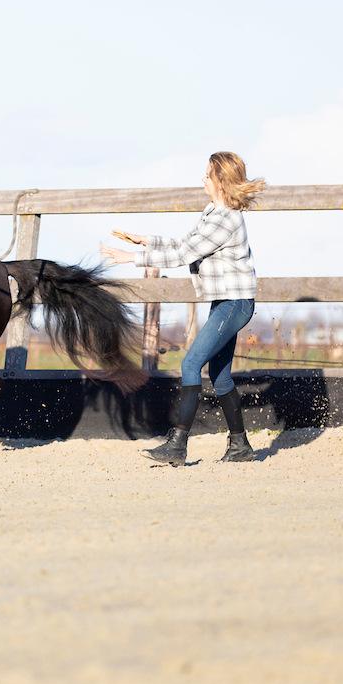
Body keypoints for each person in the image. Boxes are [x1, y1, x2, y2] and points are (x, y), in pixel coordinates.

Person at [98, 152, 265, 466]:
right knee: (220, 375)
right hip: (227, 302)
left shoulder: (226, 219)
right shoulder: (212, 212)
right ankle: (240, 446)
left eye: (207, 175)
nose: (202, 179)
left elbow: (185, 253)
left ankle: (177, 445)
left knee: (191, 365)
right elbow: (182, 242)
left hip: (235, 304)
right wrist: (145, 240)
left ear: (219, 182)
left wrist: (130, 258)